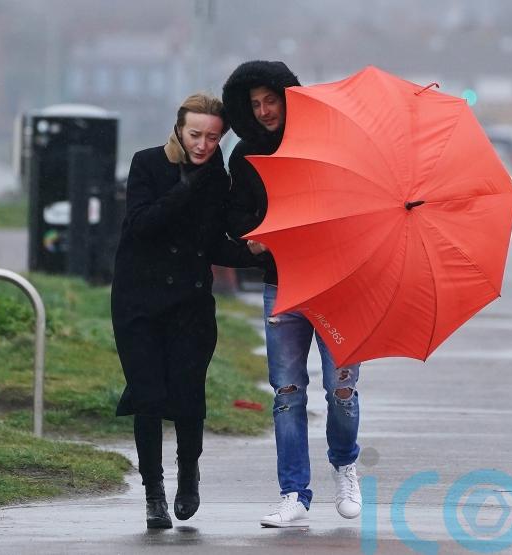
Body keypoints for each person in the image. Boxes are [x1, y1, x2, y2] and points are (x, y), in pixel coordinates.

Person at [111, 93, 268, 529]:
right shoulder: (147, 164)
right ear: (179, 129)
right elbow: (141, 224)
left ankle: (188, 475)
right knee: (146, 394)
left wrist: (253, 253)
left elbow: (212, 245)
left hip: (190, 303)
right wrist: (186, 187)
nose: (203, 145)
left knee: (187, 395)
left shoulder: (217, 179)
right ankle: (153, 494)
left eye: (213, 138)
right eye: (195, 134)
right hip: (138, 300)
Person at [222, 61, 362, 528]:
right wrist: (257, 236)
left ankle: (345, 465)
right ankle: (294, 493)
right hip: (281, 285)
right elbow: (236, 216)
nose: (264, 111)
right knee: (287, 391)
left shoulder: (324, 142)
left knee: (342, 387)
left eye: (271, 101)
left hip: (336, 285)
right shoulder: (244, 156)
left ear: (287, 98)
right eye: (255, 104)